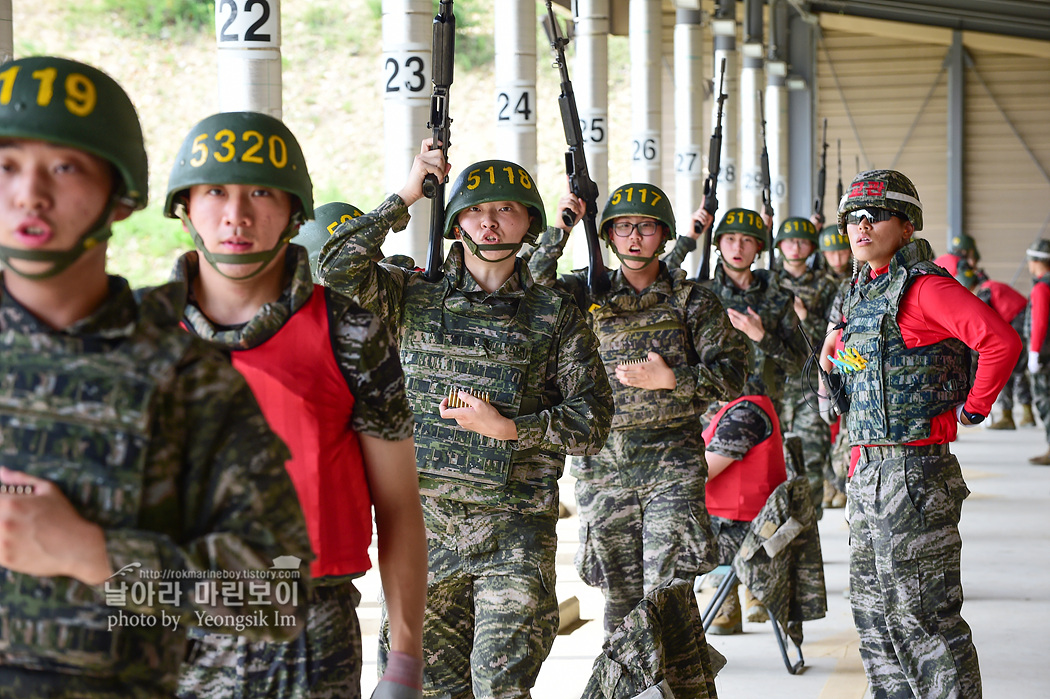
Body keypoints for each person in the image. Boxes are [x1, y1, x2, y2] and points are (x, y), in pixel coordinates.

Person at [0, 56, 310, 697]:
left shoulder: (183, 378)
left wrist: (92, 555)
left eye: (64, 167)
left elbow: (276, 598)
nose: (29, 193)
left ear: (120, 198)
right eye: (5, 165)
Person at [317, 146, 613, 699]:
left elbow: (593, 419)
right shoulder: (409, 295)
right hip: (425, 534)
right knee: (428, 690)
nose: (490, 220)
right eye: (476, 209)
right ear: (454, 223)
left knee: (500, 685)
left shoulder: (554, 313)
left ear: (529, 223)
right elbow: (333, 269)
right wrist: (406, 194)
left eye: (506, 209)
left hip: (514, 534)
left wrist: (511, 428)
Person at [164, 113, 427, 699]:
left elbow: (399, 506)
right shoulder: (134, 331)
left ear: (293, 212)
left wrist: (405, 661)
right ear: (184, 206)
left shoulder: (350, 333)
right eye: (214, 191)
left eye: (261, 191)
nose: (237, 214)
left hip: (312, 638)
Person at [527, 182, 748, 637]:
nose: (634, 237)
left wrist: (673, 379)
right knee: (621, 602)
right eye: (623, 227)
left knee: (667, 596)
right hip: (603, 471)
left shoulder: (692, 301)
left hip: (672, 468)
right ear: (607, 235)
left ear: (664, 236)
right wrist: (562, 227)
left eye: (646, 227)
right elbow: (531, 288)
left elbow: (732, 375)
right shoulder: (585, 293)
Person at [836, 169, 1020, 698]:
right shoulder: (865, 291)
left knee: (924, 619)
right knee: (874, 618)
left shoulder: (927, 289)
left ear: (907, 226)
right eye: (854, 217)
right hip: (868, 470)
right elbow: (873, 365)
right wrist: (838, 360)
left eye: (875, 217)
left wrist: (974, 410)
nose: (861, 227)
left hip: (914, 473)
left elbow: (999, 341)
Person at [773, 217, 839, 516]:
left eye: (802, 242)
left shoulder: (826, 285)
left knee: (811, 457)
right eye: (789, 241)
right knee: (772, 461)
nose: (796, 248)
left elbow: (834, 337)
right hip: (774, 383)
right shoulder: (766, 282)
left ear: (812, 247)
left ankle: (809, 529)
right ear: (779, 245)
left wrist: (804, 317)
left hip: (810, 382)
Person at [955, 260, 1032, 430]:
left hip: (1017, 327)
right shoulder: (991, 285)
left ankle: (1008, 415)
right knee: (1018, 372)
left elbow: (981, 327)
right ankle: (1026, 413)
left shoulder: (984, 292)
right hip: (1023, 327)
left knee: (1004, 370)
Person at [1024, 239, 1050, 464]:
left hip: (1045, 356)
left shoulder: (1042, 287)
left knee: (1045, 401)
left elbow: (1039, 322)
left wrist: (1034, 354)